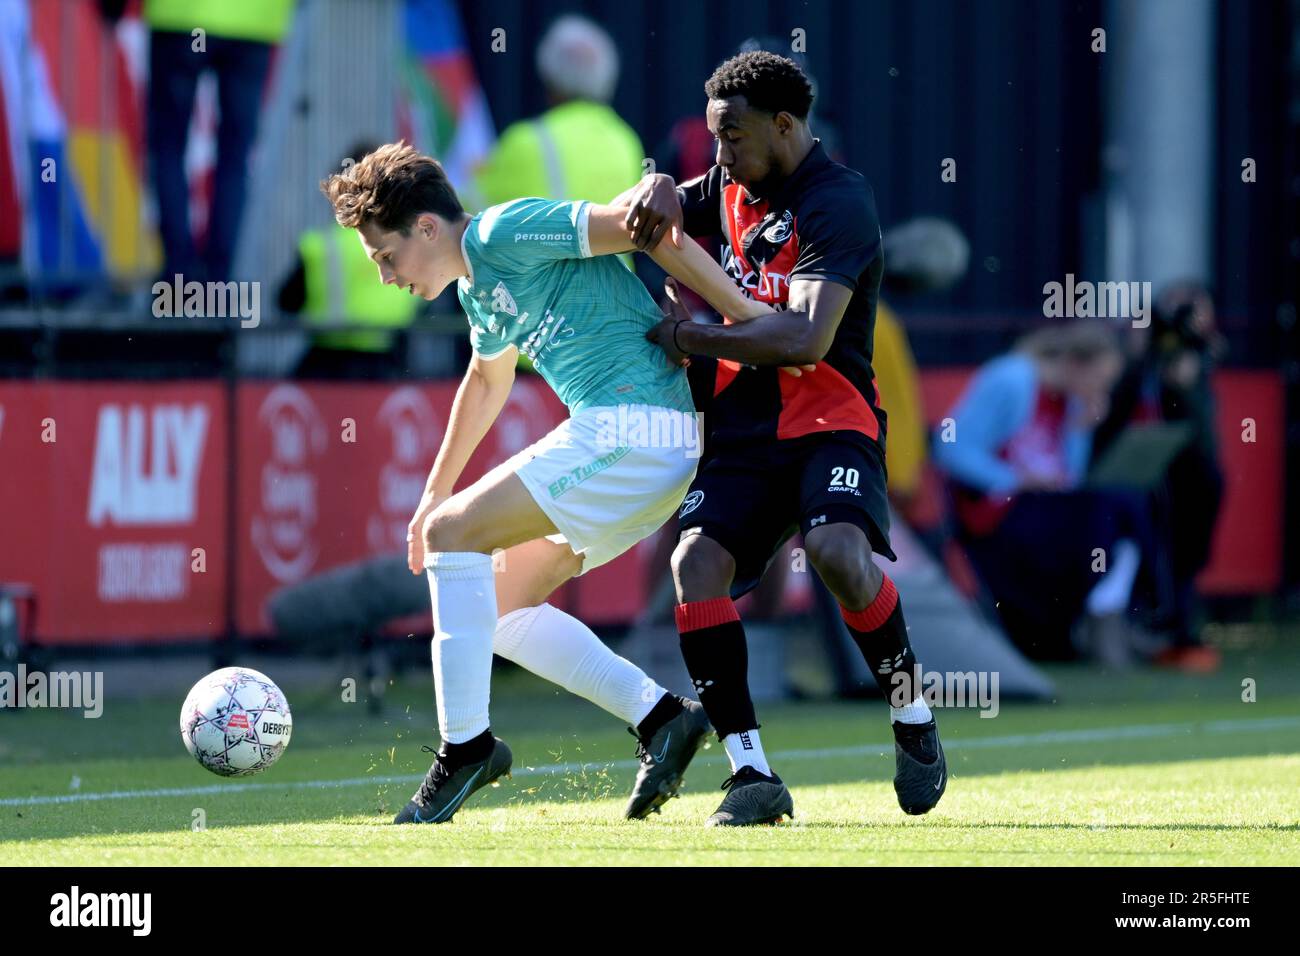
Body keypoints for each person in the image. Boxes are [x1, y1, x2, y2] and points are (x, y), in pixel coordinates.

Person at [320, 143, 778, 824]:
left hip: (636, 429)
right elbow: (485, 380)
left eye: (385, 256)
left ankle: (465, 748)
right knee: (498, 610)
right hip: (639, 446)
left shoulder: (503, 230)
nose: (385, 277)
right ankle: (661, 718)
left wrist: (744, 314)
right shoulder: (478, 285)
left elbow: (641, 225)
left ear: (425, 227)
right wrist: (430, 497)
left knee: (457, 539)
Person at [618, 52, 947, 826]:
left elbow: (804, 336)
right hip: (742, 433)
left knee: (836, 555)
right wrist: (656, 186)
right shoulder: (730, 186)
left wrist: (686, 336)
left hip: (831, 422)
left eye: (731, 137)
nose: (720, 156)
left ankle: (910, 714)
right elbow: (652, 213)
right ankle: (752, 776)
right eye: (712, 140)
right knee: (693, 565)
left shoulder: (839, 202)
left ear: (785, 125)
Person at [931, 322, 1158, 664]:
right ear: (1073, 364)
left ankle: (1109, 612)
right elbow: (951, 449)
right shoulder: (1011, 379)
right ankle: (1123, 616)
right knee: (1118, 506)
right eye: (1100, 379)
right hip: (1000, 510)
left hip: (1044, 508)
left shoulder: (1071, 402)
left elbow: (1069, 478)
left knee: (1126, 506)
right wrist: (1015, 478)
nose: (1102, 392)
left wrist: (1080, 428)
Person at [143, 0, 296, 283]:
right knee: (235, 158)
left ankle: (178, 276)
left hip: (180, 16)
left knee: (168, 147)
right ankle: (218, 280)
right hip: (255, 20)